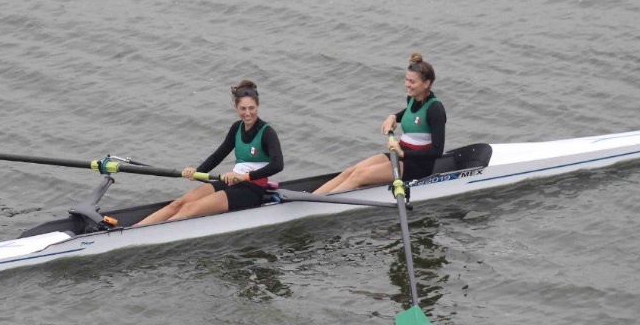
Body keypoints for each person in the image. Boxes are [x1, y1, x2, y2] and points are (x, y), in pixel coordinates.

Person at [134, 80, 283, 226]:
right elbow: (218, 156)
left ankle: (154, 234)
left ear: (258, 105)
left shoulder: (267, 132)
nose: (248, 113)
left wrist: (244, 176)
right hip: (231, 181)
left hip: (252, 189)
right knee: (179, 203)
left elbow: (278, 165)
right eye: (243, 109)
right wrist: (197, 172)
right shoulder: (236, 127)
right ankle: (135, 230)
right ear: (235, 107)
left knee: (189, 209)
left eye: (251, 108)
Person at [314, 52, 446, 194]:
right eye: (406, 79)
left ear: (426, 84)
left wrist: (403, 154)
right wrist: (393, 117)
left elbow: (437, 152)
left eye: (412, 82)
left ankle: (318, 207)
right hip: (400, 154)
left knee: (359, 176)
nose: (407, 84)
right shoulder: (413, 98)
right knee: (351, 171)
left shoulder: (435, 109)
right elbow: (409, 113)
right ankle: (312, 199)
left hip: (418, 165)